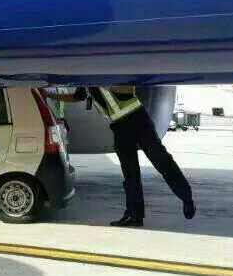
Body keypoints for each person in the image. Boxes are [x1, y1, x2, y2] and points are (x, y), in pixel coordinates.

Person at [44, 86, 196, 227]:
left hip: (137, 118)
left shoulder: (110, 72)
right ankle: (134, 215)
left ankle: (187, 198)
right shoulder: (88, 82)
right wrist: (48, 94)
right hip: (119, 126)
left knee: (161, 160)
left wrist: (104, 82)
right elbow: (77, 96)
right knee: (130, 172)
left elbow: (129, 89)